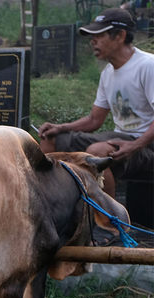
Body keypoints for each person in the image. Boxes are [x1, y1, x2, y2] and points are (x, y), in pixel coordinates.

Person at [38, 8, 154, 199]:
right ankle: (52, 206)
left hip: (146, 146)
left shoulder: (148, 66)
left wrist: (134, 146)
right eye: (92, 36)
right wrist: (60, 127)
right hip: (120, 138)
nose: (93, 41)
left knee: (97, 152)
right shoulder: (108, 73)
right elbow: (94, 120)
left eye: (99, 35)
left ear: (120, 36)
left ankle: (110, 221)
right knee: (50, 140)